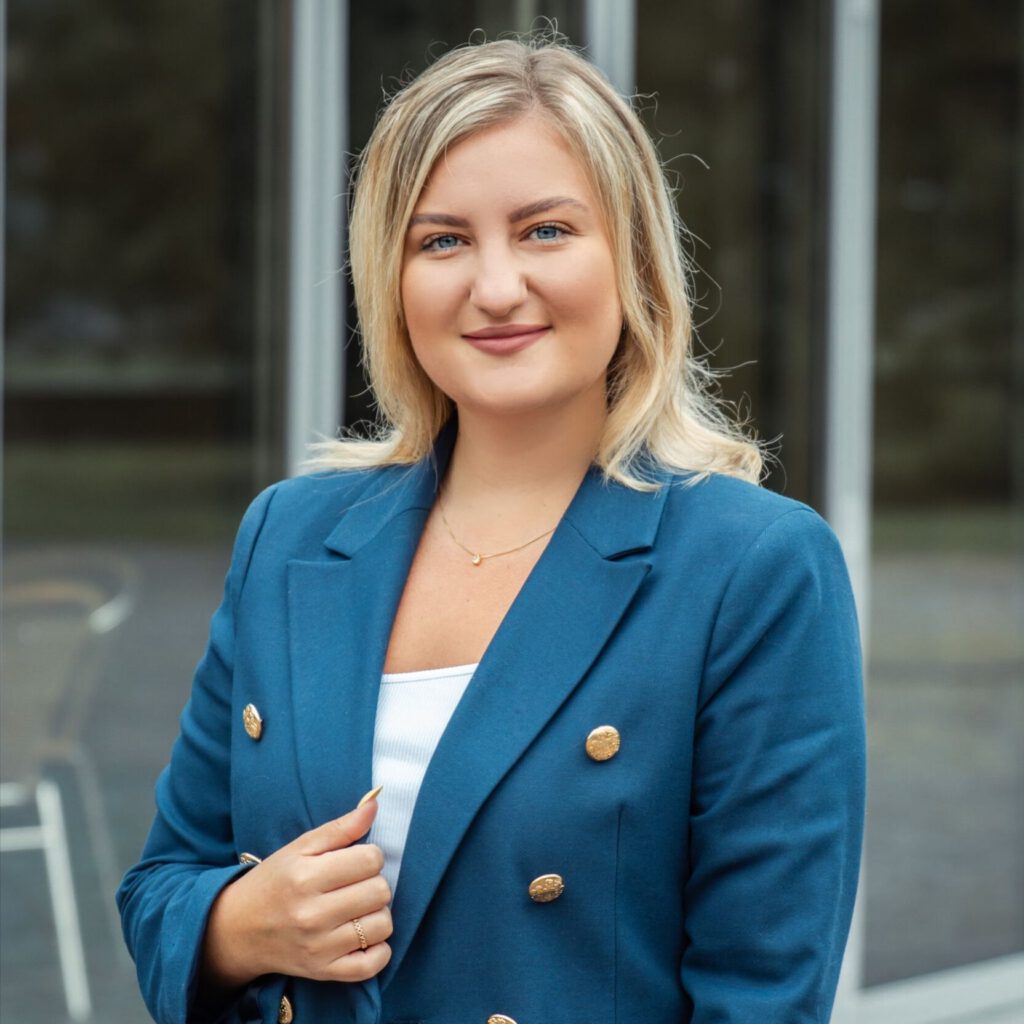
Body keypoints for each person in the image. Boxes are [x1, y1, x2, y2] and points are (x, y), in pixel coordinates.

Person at [117, 34, 865, 1024]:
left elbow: (761, 998)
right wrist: (239, 925)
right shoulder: (288, 536)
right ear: (389, 277)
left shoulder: (752, 565)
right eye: (442, 240)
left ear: (634, 256)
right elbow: (163, 879)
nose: (497, 286)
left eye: (545, 230)